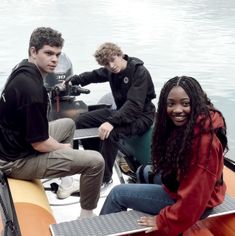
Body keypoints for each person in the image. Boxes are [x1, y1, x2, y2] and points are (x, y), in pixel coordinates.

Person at [100, 76, 228, 235]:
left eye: (185, 103)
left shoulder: (203, 143)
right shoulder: (197, 122)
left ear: (196, 103)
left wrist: (163, 219)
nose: (177, 110)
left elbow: (194, 200)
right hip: (183, 185)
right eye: (171, 104)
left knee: (117, 194)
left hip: (196, 204)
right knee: (143, 171)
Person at [0, 27, 104, 219]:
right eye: (48, 53)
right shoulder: (32, 90)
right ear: (33, 51)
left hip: (13, 143)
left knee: (67, 125)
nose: (55, 59)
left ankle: (66, 184)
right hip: (15, 161)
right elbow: (39, 144)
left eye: (57, 54)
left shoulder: (22, 69)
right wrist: (63, 148)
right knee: (96, 161)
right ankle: (87, 217)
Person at [65, 42, 156, 186]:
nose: (111, 66)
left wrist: (111, 122)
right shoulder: (111, 70)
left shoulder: (139, 72)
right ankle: (95, 160)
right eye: (107, 64)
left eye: (113, 60)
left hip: (142, 116)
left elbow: (134, 105)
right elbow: (94, 75)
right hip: (122, 113)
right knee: (81, 121)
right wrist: (73, 80)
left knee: (112, 133)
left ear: (120, 55)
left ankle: (104, 178)